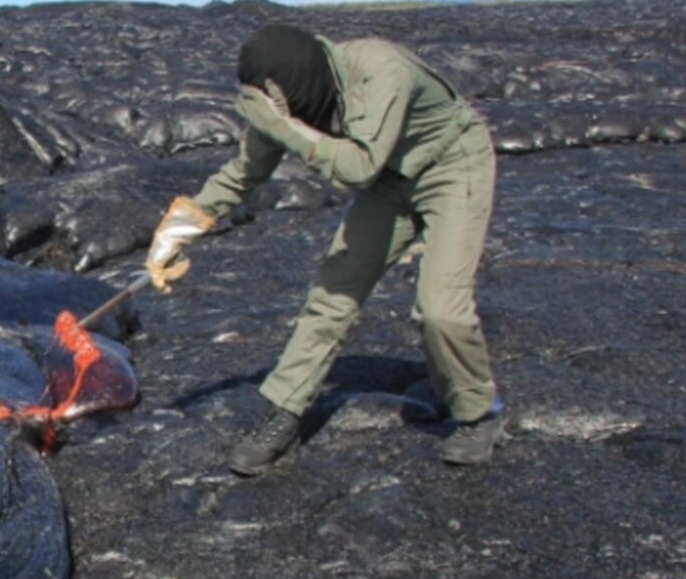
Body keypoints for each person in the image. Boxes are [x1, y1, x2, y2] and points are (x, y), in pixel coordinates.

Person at [145, 24, 502, 476]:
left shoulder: (379, 69)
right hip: (386, 184)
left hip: (451, 165)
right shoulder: (278, 107)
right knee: (331, 297)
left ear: (294, 86)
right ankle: (286, 411)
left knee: (440, 311)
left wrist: (281, 123)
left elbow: (357, 166)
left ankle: (478, 413)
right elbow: (242, 175)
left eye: (275, 106)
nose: (271, 115)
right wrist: (174, 234)